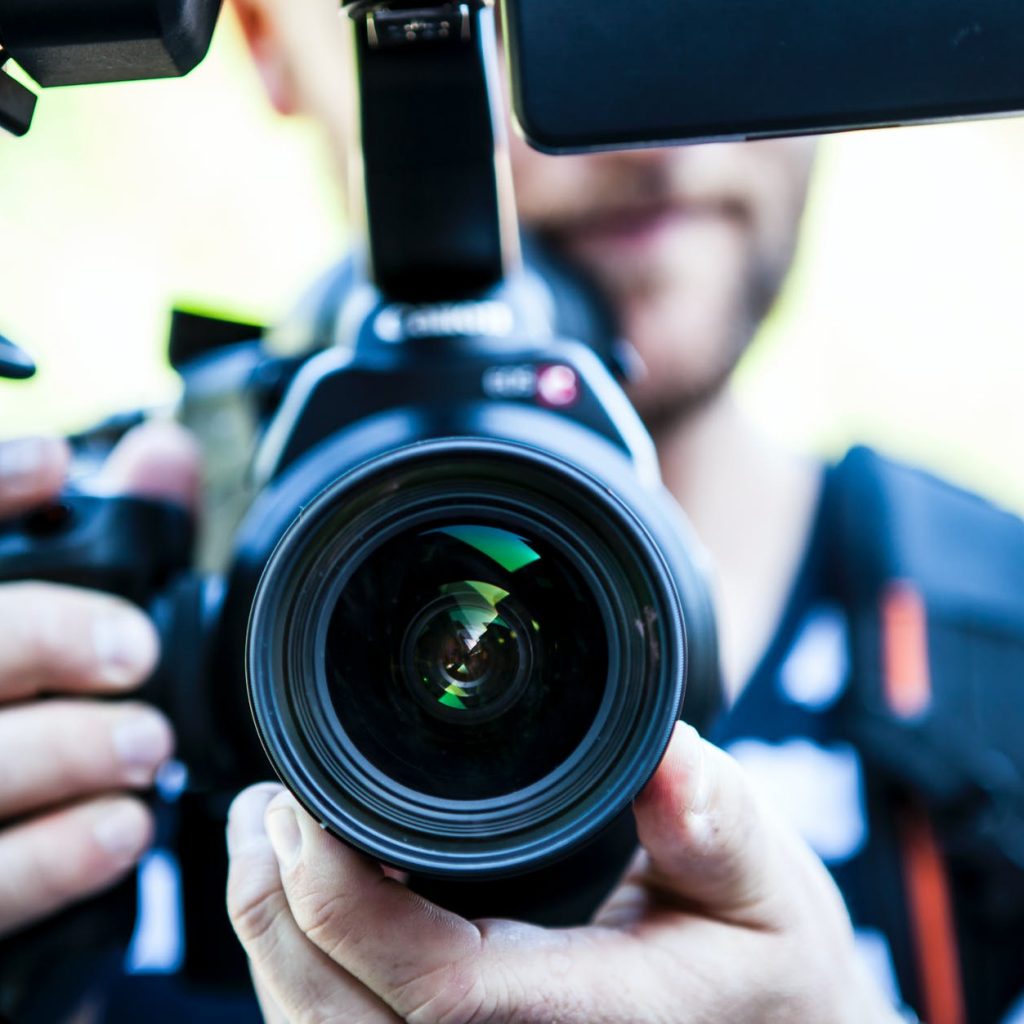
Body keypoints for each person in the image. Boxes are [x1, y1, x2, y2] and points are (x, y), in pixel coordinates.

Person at [0, 2, 1018, 1023]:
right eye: (505, 12)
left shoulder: (1002, 665)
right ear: (266, 39)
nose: (652, 128)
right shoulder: (64, 658)